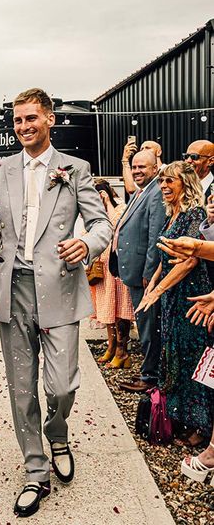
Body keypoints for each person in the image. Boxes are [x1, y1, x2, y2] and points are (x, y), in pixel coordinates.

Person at [0, 88, 112, 518]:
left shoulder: (76, 169)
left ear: (49, 119)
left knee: (62, 384)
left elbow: (101, 223)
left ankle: (58, 431)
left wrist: (86, 243)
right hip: (14, 289)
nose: (24, 127)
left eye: (32, 118)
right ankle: (35, 470)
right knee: (22, 386)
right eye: (18, 121)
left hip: (61, 288)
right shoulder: (2, 167)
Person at [137, 161, 213, 446]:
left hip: (191, 295)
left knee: (193, 357)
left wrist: (157, 292)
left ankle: (201, 427)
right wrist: (152, 287)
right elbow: (163, 259)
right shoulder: (172, 216)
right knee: (174, 354)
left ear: (185, 183)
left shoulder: (194, 214)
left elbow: (189, 261)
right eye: (161, 182)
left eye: (170, 181)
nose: (164, 187)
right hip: (171, 295)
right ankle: (178, 416)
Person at [111, 150, 166, 393]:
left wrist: (149, 272)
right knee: (145, 325)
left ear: (155, 168)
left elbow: (155, 236)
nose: (137, 171)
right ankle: (149, 371)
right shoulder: (141, 192)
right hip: (133, 272)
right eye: (134, 167)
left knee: (148, 326)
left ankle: (150, 377)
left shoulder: (155, 193)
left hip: (145, 276)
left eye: (142, 167)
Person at [90, 179, 135, 368]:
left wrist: (107, 203)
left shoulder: (121, 207)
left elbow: (117, 227)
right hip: (101, 266)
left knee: (121, 308)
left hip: (117, 264)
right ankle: (111, 346)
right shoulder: (92, 213)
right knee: (106, 308)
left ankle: (122, 350)